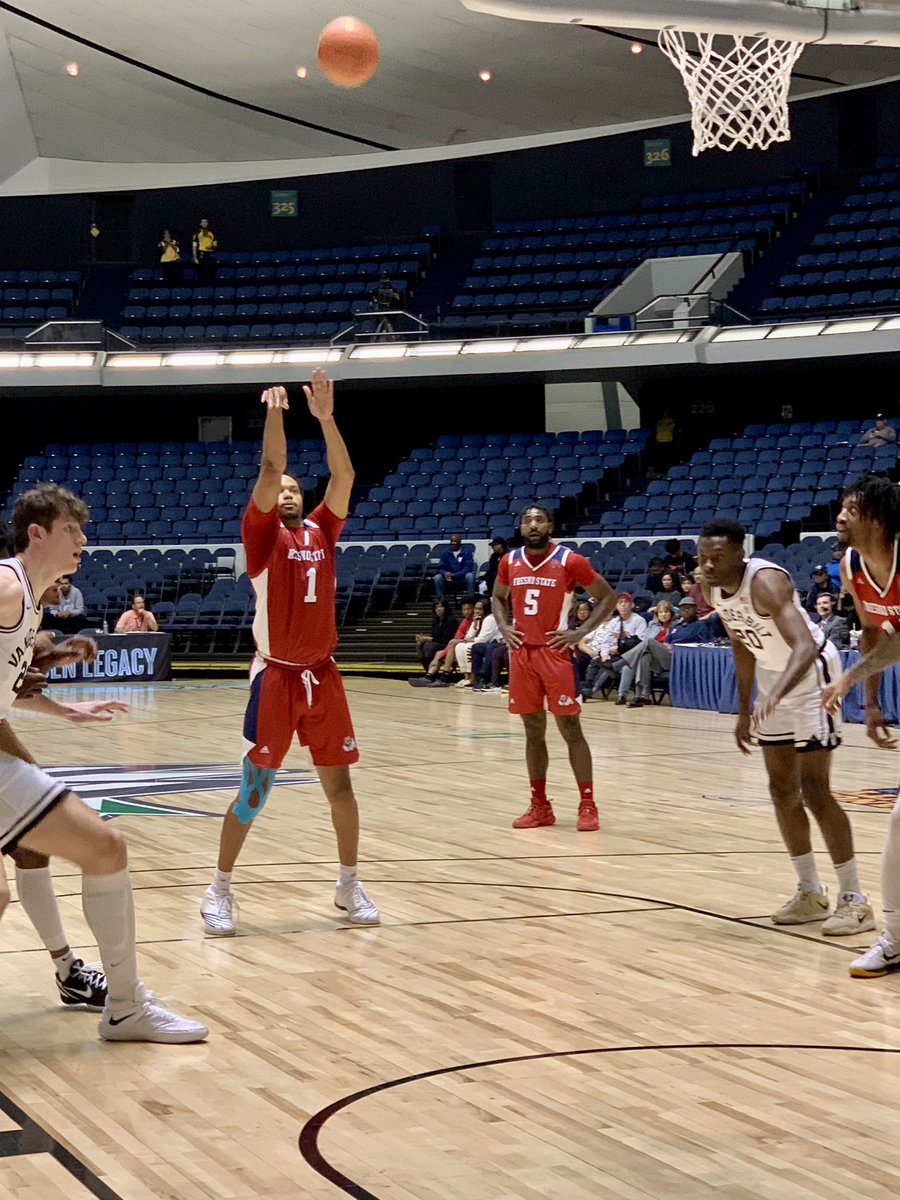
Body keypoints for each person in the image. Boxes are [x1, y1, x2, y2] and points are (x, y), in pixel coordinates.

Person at [0, 483, 207, 1041]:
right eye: (71, 529)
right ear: (37, 533)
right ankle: (124, 1009)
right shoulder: (6, 583)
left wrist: (66, 710)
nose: (83, 539)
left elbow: (7, 686)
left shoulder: (30, 599)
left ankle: (120, 1004)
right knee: (106, 848)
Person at [201, 373, 379, 936]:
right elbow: (271, 466)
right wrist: (277, 414)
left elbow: (345, 475)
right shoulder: (261, 537)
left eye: (296, 490)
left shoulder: (325, 530)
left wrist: (325, 418)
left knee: (341, 790)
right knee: (254, 792)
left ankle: (349, 885)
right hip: (275, 677)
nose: (288, 492)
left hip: (322, 675)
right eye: (282, 489)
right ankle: (220, 888)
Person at [697, 516, 873, 939]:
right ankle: (811, 892)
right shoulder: (709, 586)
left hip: (812, 676)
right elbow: (741, 640)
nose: (706, 565)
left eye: (716, 557)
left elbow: (806, 645)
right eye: (701, 557)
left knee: (814, 789)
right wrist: (744, 708)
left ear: (741, 552)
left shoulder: (766, 582)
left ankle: (855, 899)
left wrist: (776, 695)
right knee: (780, 788)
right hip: (773, 677)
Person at [492, 504, 616, 832]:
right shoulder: (509, 561)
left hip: (555, 653)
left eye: (539, 520)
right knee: (533, 732)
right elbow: (496, 597)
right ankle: (540, 806)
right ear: (520, 528)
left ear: (550, 526)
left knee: (570, 730)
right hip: (522, 656)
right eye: (527, 520)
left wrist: (579, 633)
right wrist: (504, 628)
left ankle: (588, 804)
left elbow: (608, 597)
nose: (533, 525)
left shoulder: (570, 560)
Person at [822, 473, 900, 976]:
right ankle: (894, 938)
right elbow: (873, 631)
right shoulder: (852, 566)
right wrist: (871, 705)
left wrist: (851, 677)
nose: (840, 516)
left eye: (850, 509)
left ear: (874, 515)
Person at [617, 595, 709, 708]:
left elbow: (705, 648)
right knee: (644, 656)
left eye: (689, 607)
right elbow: (666, 642)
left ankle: (620, 663)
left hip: (680, 659)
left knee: (650, 642)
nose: (686, 610)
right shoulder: (678, 627)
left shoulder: (700, 626)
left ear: (695, 609)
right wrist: (666, 645)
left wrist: (675, 647)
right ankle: (642, 697)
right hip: (664, 658)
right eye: (683, 607)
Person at [580, 592, 646, 700]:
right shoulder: (614, 622)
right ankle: (588, 686)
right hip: (614, 655)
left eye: (626, 602)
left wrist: (619, 648)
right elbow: (606, 642)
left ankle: (591, 691)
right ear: (616, 606)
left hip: (630, 656)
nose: (623, 605)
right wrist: (604, 654)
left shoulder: (639, 621)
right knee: (600, 659)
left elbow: (640, 643)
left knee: (610, 666)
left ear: (632, 605)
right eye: (620, 602)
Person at [414, 598, 458, 672]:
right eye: (436, 607)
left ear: (446, 608)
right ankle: (428, 670)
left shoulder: (451, 620)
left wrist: (428, 639)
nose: (438, 609)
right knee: (419, 645)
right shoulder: (435, 621)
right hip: (437, 643)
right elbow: (434, 636)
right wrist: (422, 639)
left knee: (429, 646)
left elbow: (447, 639)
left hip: (448, 645)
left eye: (441, 607)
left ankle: (432, 671)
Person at [433, 534, 476, 600]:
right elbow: (441, 567)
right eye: (452, 541)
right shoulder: (445, 552)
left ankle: (471, 599)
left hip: (462, 578)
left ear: (459, 542)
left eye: (455, 541)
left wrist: (455, 575)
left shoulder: (467, 552)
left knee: (470, 575)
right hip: (449, 578)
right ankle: (441, 601)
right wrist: (445, 573)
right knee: (437, 577)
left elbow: (468, 568)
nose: (453, 543)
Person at [192, 217, 217, 285]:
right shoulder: (197, 233)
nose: (205, 223)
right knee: (202, 270)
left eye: (206, 222)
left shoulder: (211, 233)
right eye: (203, 222)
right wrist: (195, 258)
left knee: (211, 270)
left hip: (210, 253)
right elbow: (194, 246)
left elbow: (215, 244)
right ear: (200, 224)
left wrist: (211, 246)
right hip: (202, 253)